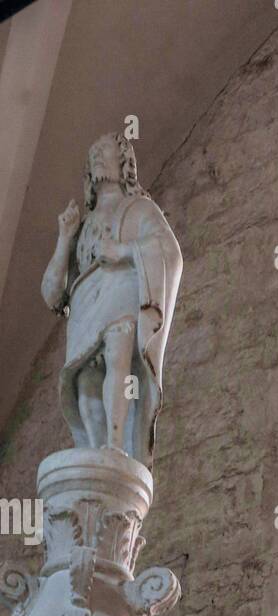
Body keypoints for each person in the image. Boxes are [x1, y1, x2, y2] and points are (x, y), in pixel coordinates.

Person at [41, 133, 182, 465]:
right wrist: (64, 238)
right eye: (93, 155)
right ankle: (95, 454)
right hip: (85, 306)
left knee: (118, 355)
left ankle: (116, 448)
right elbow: (52, 294)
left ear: (125, 162)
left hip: (120, 295)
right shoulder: (83, 225)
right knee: (86, 378)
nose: (97, 158)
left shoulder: (140, 208)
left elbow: (168, 252)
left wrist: (123, 252)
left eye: (104, 152)